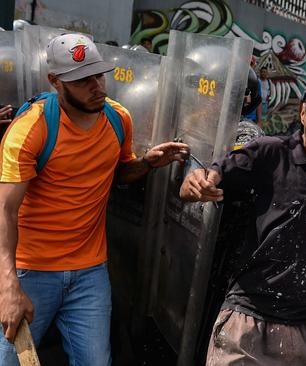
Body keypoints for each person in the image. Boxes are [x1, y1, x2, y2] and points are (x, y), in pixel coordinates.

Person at [0, 33, 188, 365]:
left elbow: (118, 173)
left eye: (98, 75)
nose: (97, 86)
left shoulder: (118, 120)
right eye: (82, 80)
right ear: (55, 81)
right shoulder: (32, 128)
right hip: (32, 271)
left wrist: (146, 163)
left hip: (89, 274)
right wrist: (8, 286)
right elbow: (5, 211)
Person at [180, 76, 306, 366]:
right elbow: (208, 177)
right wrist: (194, 184)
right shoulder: (268, 153)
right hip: (248, 323)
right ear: (302, 113)